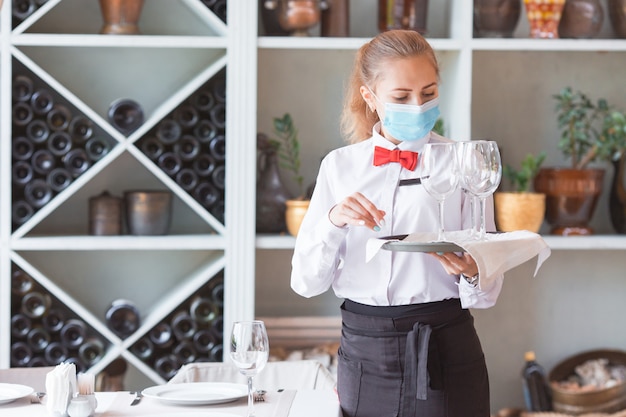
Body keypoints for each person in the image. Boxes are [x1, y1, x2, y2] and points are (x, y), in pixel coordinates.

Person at [290, 29, 504, 417]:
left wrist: (475, 270)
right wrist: (334, 220)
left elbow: (486, 295)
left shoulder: (465, 162)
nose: (418, 106)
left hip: (445, 344)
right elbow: (306, 283)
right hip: (365, 351)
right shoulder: (339, 166)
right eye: (402, 98)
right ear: (370, 98)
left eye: (429, 92)